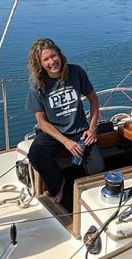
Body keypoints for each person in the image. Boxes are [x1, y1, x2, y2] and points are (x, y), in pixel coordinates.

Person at [26, 38, 105, 203]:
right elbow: (42, 122)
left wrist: (92, 129)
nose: (52, 61)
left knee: (98, 167)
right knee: (36, 153)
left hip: (79, 130)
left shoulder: (76, 72)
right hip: (54, 133)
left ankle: (88, 195)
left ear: (60, 55)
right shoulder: (37, 85)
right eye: (46, 59)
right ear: (39, 64)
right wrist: (66, 142)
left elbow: (93, 99)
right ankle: (59, 185)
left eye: (53, 56)